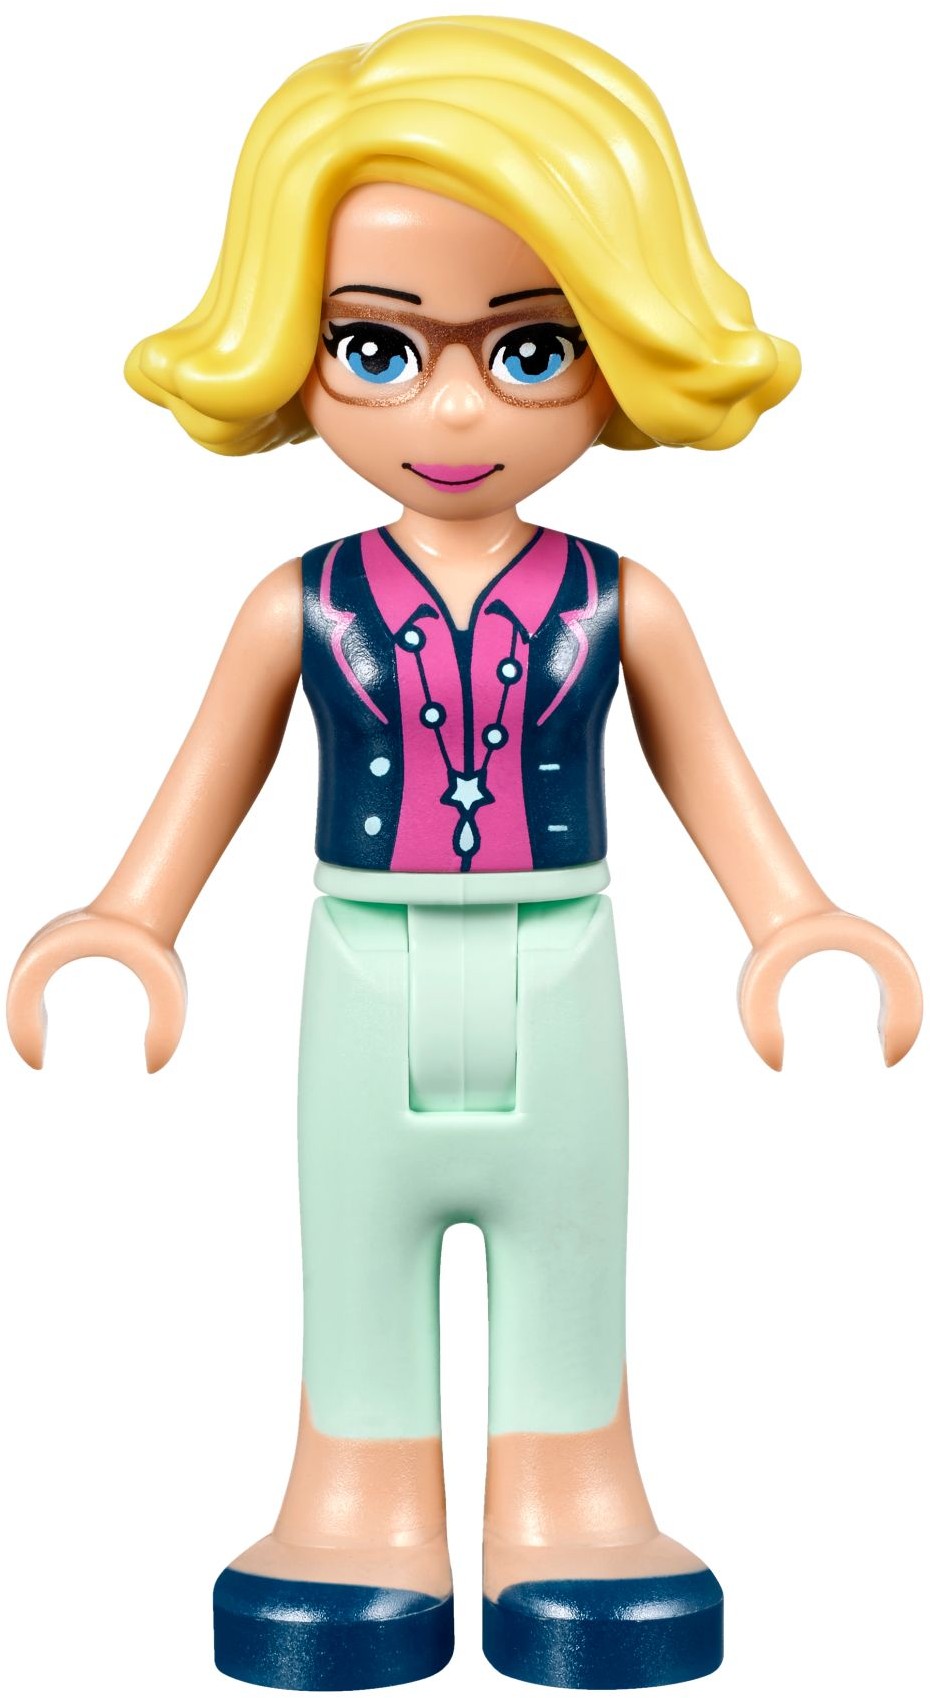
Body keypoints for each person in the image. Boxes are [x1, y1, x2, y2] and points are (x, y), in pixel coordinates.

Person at [7, 16, 921, 1692]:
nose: (446, 405)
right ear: (288, 345)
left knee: (571, 1249)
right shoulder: (297, 603)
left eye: (526, 348)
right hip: (357, 967)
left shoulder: (621, 600)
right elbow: (205, 777)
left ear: (620, 346)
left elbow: (711, 772)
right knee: (353, 1250)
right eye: (374, 346)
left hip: (563, 965)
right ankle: (354, 1507)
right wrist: (130, 921)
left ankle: (574, 1501)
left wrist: (792, 920)